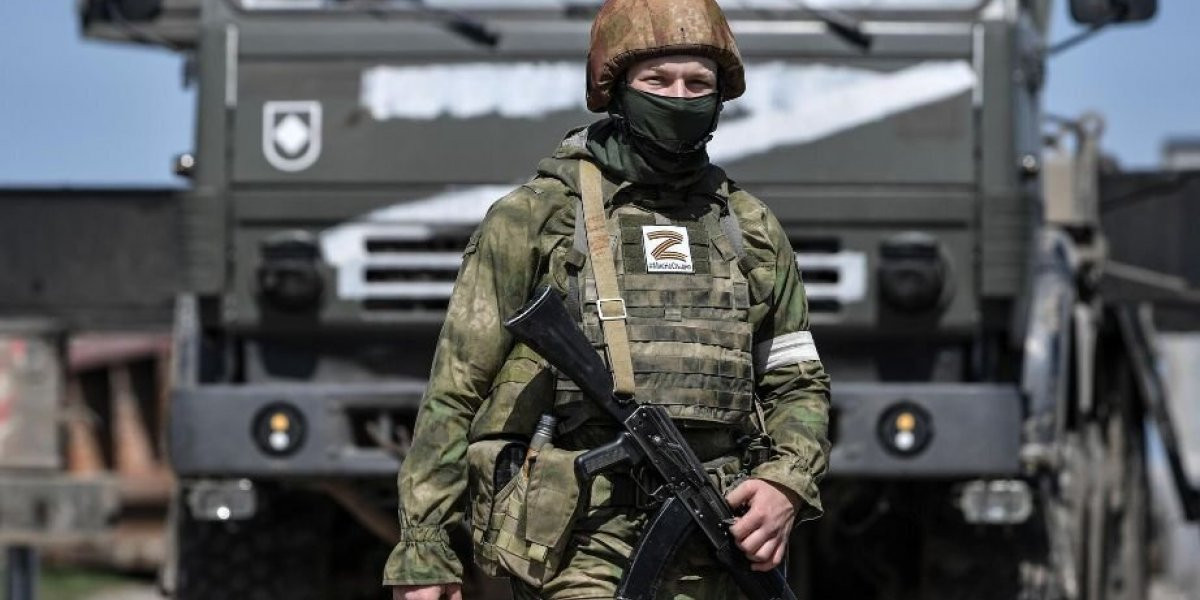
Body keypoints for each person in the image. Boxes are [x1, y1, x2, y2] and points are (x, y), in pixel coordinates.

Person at [384, 0, 830, 597]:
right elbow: (455, 391)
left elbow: (797, 383)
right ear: (615, 89)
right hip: (577, 539)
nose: (679, 97)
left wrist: (785, 483)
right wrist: (425, 554)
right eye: (657, 81)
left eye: (698, 83)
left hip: (723, 538)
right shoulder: (538, 218)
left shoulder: (748, 228)